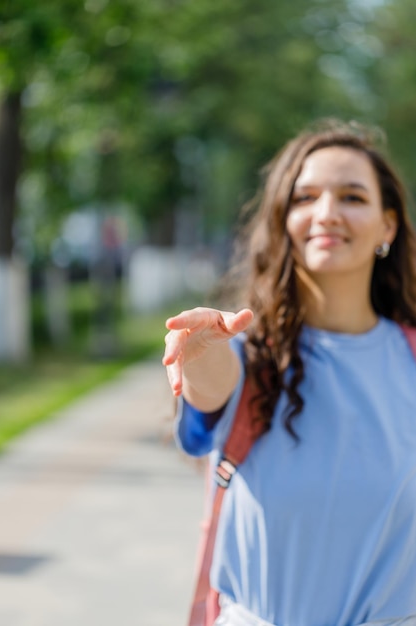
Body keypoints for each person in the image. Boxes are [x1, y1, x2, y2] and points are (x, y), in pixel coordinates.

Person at [162, 119, 416, 626]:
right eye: (305, 198)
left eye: (352, 197)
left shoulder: (409, 357)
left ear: (388, 225)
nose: (326, 213)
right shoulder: (248, 353)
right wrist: (199, 351)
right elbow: (207, 400)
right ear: (283, 220)